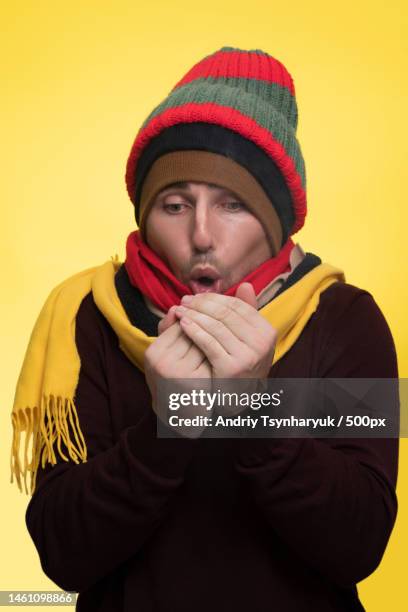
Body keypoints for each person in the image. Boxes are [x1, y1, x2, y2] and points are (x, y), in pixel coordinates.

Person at [11, 46, 399, 611]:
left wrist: (253, 409)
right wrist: (169, 424)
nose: (201, 235)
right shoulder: (85, 316)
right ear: (144, 216)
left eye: (233, 205)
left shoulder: (344, 317)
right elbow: (63, 556)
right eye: (174, 204)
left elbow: (359, 545)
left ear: (274, 227)